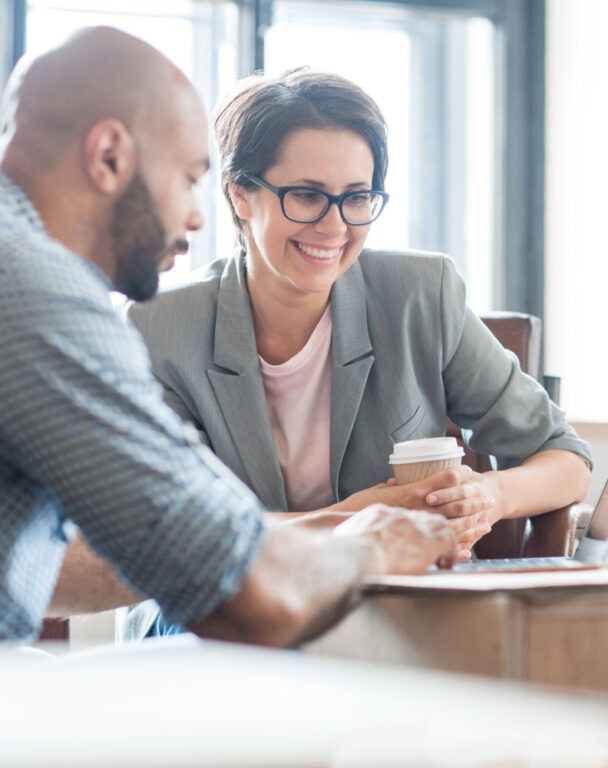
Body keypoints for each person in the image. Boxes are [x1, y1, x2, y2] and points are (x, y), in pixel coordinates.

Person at [0, 27, 459, 645]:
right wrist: (371, 546)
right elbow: (246, 599)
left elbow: (51, 570)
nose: (194, 217)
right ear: (109, 155)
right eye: (189, 178)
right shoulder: (37, 292)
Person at [125, 67, 592, 638]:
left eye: (357, 198)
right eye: (307, 196)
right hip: (218, 606)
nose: (334, 226)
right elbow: (178, 537)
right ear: (241, 194)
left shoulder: (420, 294)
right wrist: (360, 520)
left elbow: (564, 458)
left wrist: (487, 496)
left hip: (390, 607)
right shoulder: (159, 328)